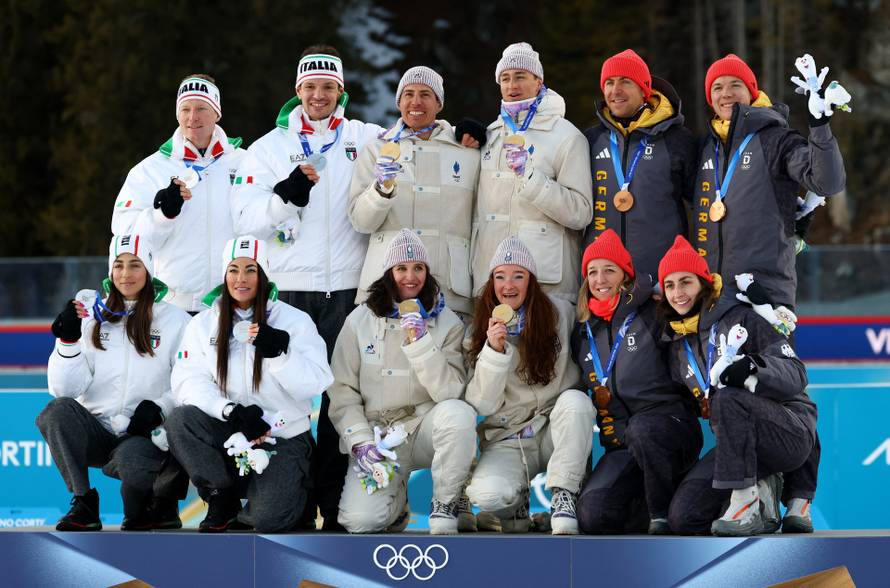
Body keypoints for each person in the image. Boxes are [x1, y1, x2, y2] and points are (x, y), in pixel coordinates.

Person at [230, 46, 383, 531]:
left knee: (341, 400)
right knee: (283, 397)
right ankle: (285, 499)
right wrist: (283, 198)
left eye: (329, 86)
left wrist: (462, 138)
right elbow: (244, 215)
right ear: (297, 91)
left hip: (348, 290)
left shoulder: (366, 137)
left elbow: (416, 144)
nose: (319, 95)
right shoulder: (267, 147)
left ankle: (334, 503)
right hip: (290, 290)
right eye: (310, 86)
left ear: (342, 91)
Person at [694, 53, 844, 532]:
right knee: (738, 389)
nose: (724, 95)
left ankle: (790, 493)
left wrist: (819, 126)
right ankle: (769, 492)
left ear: (751, 91)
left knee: (780, 382)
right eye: (717, 88)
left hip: (764, 292)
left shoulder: (776, 138)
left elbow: (827, 180)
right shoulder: (708, 150)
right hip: (719, 298)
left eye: (734, 86)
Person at [166, 235, 333, 533]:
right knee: (181, 421)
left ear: (264, 274)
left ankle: (297, 495)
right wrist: (230, 411)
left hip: (281, 435)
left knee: (268, 520)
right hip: (231, 431)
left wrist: (280, 355)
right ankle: (222, 498)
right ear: (224, 274)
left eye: (250, 270)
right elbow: (187, 381)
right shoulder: (203, 324)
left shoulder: (295, 321)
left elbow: (317, 382)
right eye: (233, 270)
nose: (241, 279)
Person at [657, 236, 816, 536]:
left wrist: (753, 367)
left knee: (729, 397)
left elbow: (796, 373)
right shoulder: (677, 347)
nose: (678, 293)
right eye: (670, 285)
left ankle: (746, 501)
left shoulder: (741, 318)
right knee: (684, 517)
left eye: (686, 282)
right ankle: (761, 497)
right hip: (736, 448)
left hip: (786, 436)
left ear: (703, 284)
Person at [327, 229, 475, 534]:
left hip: (423, 427)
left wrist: (421, 342)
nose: (411, 277)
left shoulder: (447, 322)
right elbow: (342, 391)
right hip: (380, 437)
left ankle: (448, 500)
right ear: (388, 274)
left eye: (418, 268)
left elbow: (450, 392)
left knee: (459, 416)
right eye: (402, 269)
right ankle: (396, 507)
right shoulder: (359, 320)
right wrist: (361, 441)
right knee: (360, 521)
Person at [39, 234, 191, 531]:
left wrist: (160, 407)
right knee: (54, 412)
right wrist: (68, 342)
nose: (125, 274)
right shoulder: (92, 317)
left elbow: (189, 381)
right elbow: (64, 391)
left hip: (142, 434)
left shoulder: (176, 320)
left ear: (149, 271)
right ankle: (83, 502)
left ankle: (148, 502)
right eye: (119, 265)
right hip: (98, 430)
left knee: (136, 516)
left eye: (135, 265)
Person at [572, 229, 701, 535]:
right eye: (592, 272)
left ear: (626, 275)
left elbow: (689, 353)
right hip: (623, 444)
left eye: (609, 270)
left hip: (670, 427)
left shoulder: (653, 312)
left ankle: (663, 511)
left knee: (644, 430)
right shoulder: (583, 331)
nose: (600, 280)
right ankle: (657, 502)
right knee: (592, 516)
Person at [464, 236, 592, 534]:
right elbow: (482, 404)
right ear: (491, 283)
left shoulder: (561, 313)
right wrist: (493, 352)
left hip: (554, 428)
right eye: (500, 276)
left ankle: (564, 495)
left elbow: (602, 311)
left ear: (531, 281)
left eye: (518, 275)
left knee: (576, 403)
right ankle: (516, 504)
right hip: (509, 436)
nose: (509, 285)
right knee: (487, 494)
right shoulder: (477, 329)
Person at [348, 66, 481, 317]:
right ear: (399, 102)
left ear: (439, 103)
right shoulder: (377, 150)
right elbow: (361, 222)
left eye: (425, 94)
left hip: (449, 287)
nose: (416, 102)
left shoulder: (467, 151)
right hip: (387, 288)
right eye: (408, 94)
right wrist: (381, 189)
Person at [112, 74, 246, 313]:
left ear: (217, 112)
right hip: (173, 306)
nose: (192, 117)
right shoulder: (149, 170)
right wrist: (162, 215)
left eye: (202, 108)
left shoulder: (246, 162)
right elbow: (124, 235)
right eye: (185, 109)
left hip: (232, 304)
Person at [471, 42, 593, 303]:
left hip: (547, 284)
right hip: (492, 284)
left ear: (539, 82)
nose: (512, 85)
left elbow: (580, 212)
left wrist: (531, 179)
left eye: (520, 77)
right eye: (505, 78)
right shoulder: (490, 136)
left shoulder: (567, 136)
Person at [582, 49, 696, 280]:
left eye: (625, 81)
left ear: (644, 90)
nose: (616, 90)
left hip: (660, 279)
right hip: (602, 282)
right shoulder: (590, 140)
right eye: (609, 83)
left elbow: (706, 204)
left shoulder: (676, 139)